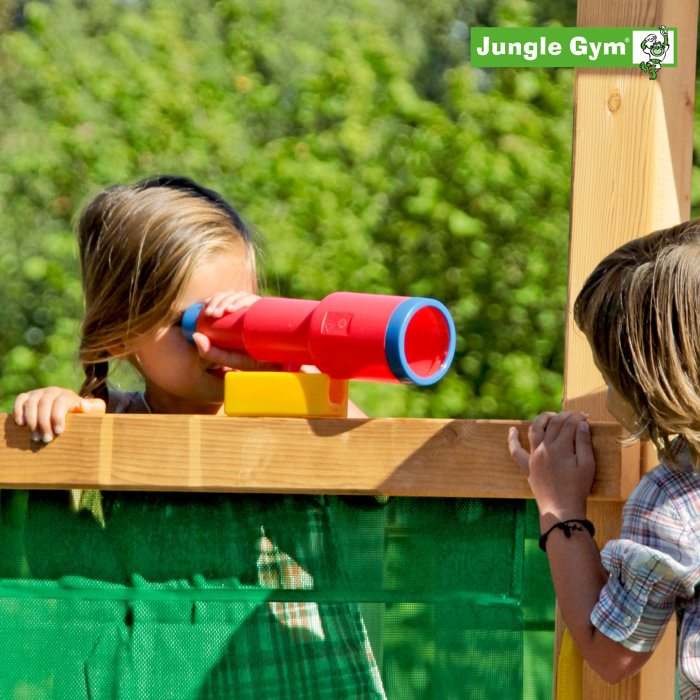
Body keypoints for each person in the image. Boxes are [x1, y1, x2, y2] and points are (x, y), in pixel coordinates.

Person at [11, 175, 386, 699]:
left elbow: (378, 463)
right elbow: (52, 559)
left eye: (241, 312)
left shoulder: (288, 405)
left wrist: (289, 360)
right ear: (120, 333)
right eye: (188, 322)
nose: (217, 340)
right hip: (170, 680)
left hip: (303, 676)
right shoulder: (114, 421)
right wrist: (56, 412)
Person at [508, 221, 700, 697]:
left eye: (609, 376)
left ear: (648, 386)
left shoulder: (669, 501)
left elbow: (612, 654)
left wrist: (559, 506)